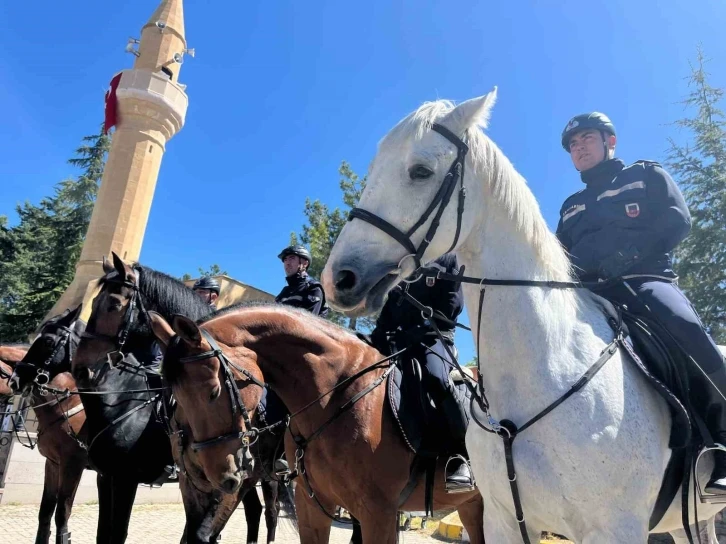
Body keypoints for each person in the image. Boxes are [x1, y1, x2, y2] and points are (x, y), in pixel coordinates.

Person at [556, 112, 726, 493]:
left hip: (644, 282)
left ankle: (723, 439)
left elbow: (676, 219)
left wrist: (629, 257)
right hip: (589, 296)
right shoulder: (570, 205)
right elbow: (557, 257)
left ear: (609, 141)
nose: (578, 148)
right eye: (573, 145)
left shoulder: (645, 175)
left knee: (686, 331)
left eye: (586, 139)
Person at [370, 253, 474, 493]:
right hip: (400, 338)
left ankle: (460, 455)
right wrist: (375, 336)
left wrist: (423, 325)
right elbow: (391, 305)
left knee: (436, 378)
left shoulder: (449, 258)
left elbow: (452, 305)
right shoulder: (404, 260)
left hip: (434, 337)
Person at [275, 245, 329, 318]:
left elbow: (308, 322)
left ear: (305, 264)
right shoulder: (284, 292)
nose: (287, 263)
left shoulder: (313, 288)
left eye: (292, 258)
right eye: (285, 259)